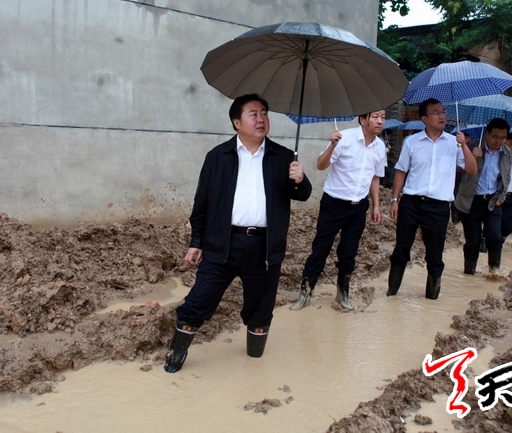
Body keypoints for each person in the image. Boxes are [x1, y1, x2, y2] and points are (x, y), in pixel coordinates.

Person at [164, 94, 312, 373]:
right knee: (199, 300)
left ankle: (254, 362)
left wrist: (300, 178)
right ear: (236, 122)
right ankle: (177, 352)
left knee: (261, 308)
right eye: (253, 114)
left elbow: (302, 194)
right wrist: (196, 242)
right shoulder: (218, 157)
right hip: (222, 244)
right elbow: (201, 204)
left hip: (264, 248)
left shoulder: (283, 157)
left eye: (264, 113)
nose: (261, 119)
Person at [290, 110, 387, 311]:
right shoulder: (344, 139)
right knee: (320, 248)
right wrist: (332, 145)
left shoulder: (379, 147)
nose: (380, 121)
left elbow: (375, 177)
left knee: (349, 252)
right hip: (334, 204)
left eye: (383, 117)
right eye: (375, 117)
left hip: (358, 207)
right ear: (363, 119)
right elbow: (320, 165)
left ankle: (342, 294)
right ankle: (305, 293)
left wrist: (376, 205)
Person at [386, 99, 477, 300]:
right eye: (436, 112)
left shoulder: (454, 143)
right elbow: (401, 171)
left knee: (435, 254)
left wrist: (464, 146)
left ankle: (432, 298)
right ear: (425, 119)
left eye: (443, 112)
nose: (442, 116)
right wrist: (394, 199)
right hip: (411, 203)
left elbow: (472, 169)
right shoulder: (411, 142)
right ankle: (391, 293)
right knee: (401, 249)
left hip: (439, 207)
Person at [454, 118, 512, 275]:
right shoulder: (473, 146)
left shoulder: (506, 152)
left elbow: (506, 176)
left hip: (492, 200)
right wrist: (471, 157)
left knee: (495, 236)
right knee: (473, 241)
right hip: (471, 200)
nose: (498, 141)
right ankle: (469, 273)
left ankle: (494, 271)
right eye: (495, 137)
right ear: (487, 134)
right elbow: (455, 169)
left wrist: (501, 196)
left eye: (503, 138)